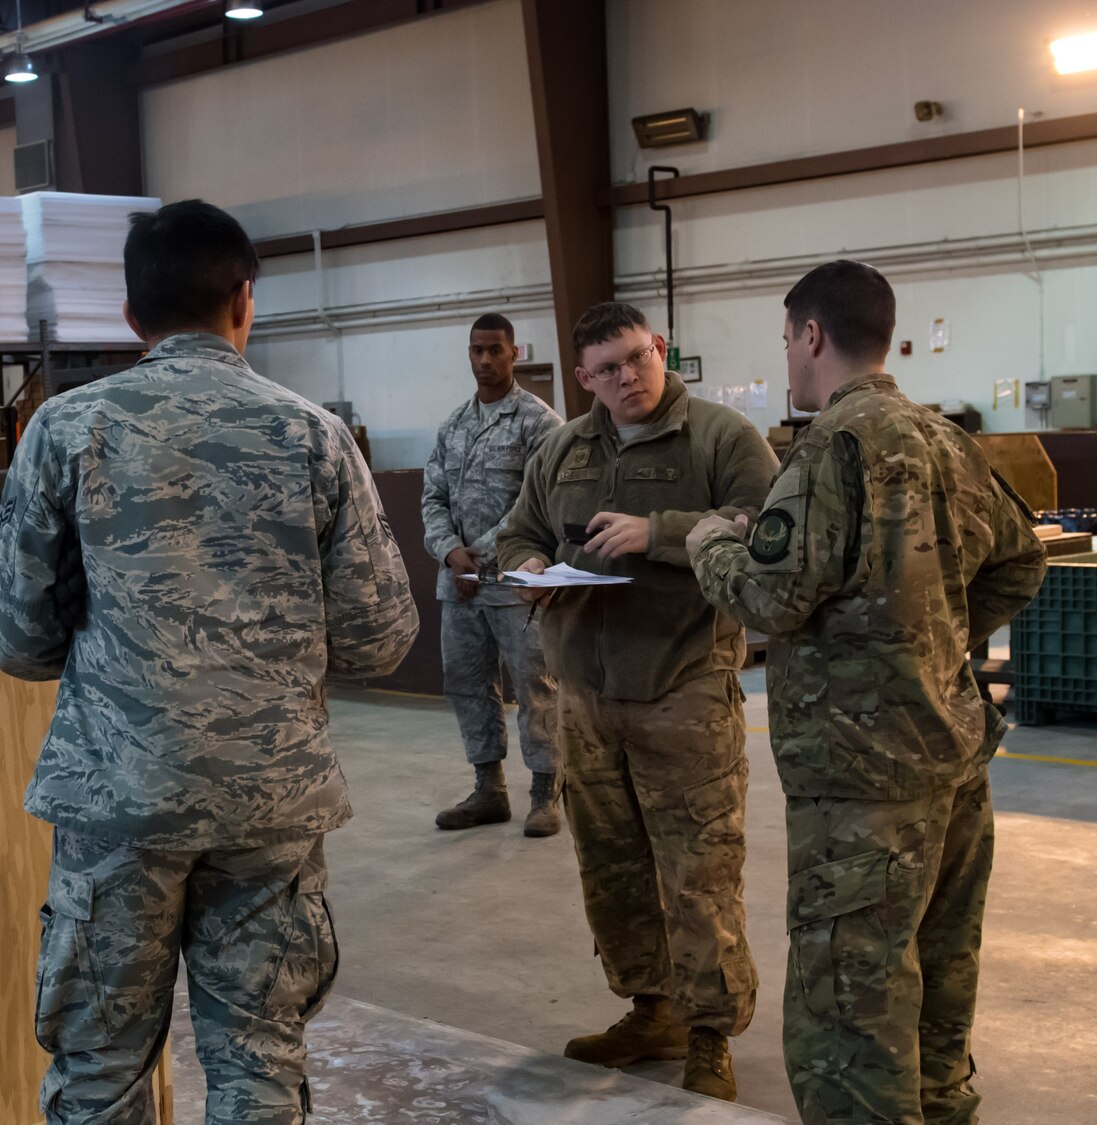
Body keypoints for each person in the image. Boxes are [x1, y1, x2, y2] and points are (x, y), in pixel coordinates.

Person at [0, 199, 417, 1125]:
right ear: (244, 300)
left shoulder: (64, 430)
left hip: (117, 797)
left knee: (99, 1069)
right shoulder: (314, 435)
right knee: (258, 1061)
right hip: (271, 800)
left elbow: (15, 635)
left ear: (132, 316)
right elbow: (381, 636)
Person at [686, 260, 1047, 1124]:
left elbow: (770, 596)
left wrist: (709, 542)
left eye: (786, 339)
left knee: (849, 1010)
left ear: (813, 335)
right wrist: (929, 641)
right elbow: (1022, 557)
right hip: (953, 758)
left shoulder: (832, 447)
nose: (787, 357)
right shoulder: (945, 439)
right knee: (940, 972)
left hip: (860, 786)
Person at [494, 301, 776, 1101]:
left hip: (682, 689)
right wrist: (530, 572)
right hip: (585, 695)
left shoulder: (721, 438)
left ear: (661, 349)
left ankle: (711, 1032)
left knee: (700, 871)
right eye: (608, 369)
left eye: (638, 357)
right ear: (583, 379)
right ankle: (652, 1008)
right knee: (614, 869)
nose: (628, 377)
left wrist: (659, 533)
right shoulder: (562, 450)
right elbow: (518, 532)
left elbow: (765, 531)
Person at [421, 312, 564, 835]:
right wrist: (446, 550)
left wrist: (476, 555)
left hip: (514, 584)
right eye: (476, 350)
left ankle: (546, 793)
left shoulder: (539, 422)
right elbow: (432, 496)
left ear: (514, 353)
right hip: (456, 585)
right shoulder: (453, 424)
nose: (484, 360)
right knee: (466, 684)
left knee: (535, 686)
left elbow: (537, 501)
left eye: (494, 350)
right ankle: (489, 790)